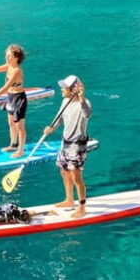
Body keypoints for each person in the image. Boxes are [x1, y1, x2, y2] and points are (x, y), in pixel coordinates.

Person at [43, 75, 91, 218]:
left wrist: (81, 98)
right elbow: (59, 118)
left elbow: (86, 114)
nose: (61, 90)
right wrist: (51, 128)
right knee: (64, 172)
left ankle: (82, 207)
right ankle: (69, 199)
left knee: (76, 177)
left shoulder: (85, 103)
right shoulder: (65, 101)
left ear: (73, 90)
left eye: (64, 87)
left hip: (77, 146)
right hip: (65, 143)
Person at [0, 44, 27, 158]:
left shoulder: (17, 70)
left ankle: (21, 150)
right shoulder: (8, 66)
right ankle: (13, 145)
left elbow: (5, 88)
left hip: (18, 99)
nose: (6, 57)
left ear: (16, 57)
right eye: (6, 55)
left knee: (19, 126)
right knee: (11, 123)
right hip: (10, 98)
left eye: (9, 56)